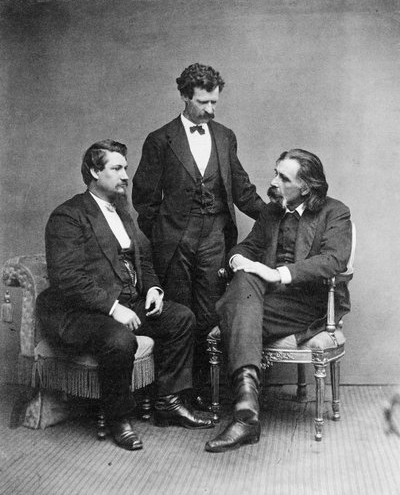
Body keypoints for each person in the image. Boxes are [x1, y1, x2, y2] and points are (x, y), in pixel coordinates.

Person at [36, 139, 214, 452]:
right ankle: (118, 418)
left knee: (181, 318)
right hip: (78, 312)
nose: (125, 176)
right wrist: (112, 307)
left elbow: (143, 258)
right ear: (94, 172)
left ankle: (168, 402)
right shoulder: (68, 216)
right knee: (120, 339)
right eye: (117, 168)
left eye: (125, 169)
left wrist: (154, 289)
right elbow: (67, 278)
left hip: (125, 302)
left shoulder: (122, 212)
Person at [131, 63, 265, 406]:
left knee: (209, 313)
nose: (210, 109)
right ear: (184, 96)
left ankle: (206, 390)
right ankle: (177, 394)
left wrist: (274, 217)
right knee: (179, 310)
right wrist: (164, 234)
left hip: (215, 236)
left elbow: (242, 190)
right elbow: (144, 200)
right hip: (175, 239)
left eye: (214, 102)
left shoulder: (225, 136)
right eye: (203, 102)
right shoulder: (160, 140)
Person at [205, 148, 352, 452]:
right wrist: (238, 261)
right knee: (243, 280)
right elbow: (246, 247)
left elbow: (333, 260)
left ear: (306, 187)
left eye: (284, 178)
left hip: (309, 303)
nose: (273, 182)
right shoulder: (272, 212)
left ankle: (245, 413)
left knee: (234, 310)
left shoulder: (335, 212)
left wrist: (278, 273)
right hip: (267, 300)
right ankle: (247, 414)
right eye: (276, 173)